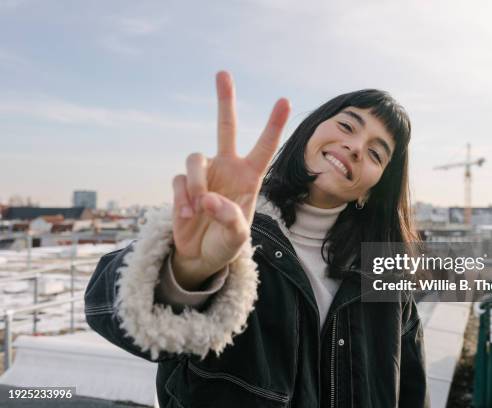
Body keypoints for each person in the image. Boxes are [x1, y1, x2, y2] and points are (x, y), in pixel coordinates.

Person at [85, 71, 429, 408]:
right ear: (311, 131)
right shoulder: (235, 227)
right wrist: (187, 271)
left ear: (373, 189)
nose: (355, 146)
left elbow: (412, 392)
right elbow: (105, 308)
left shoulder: (385, 277)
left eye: (375, 153)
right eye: (347, 125)